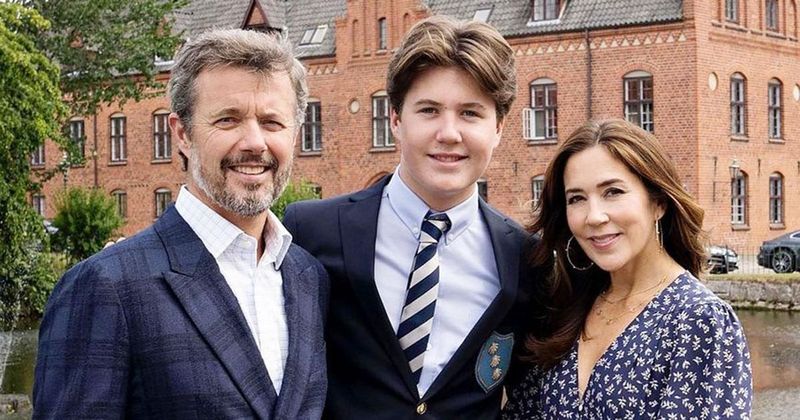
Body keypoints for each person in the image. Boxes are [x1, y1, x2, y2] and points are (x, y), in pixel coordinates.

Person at [33, 29, 329, 419]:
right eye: (228, 120)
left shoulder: (309, 278)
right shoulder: (106, 287)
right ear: (183, 134)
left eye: (273, 122)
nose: (255, 142)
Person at [283, 15, 540, 419]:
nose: (449, 133)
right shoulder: (311, 231)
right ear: (397, 120)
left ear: (499, 128)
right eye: (429, 110)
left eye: (471, 113)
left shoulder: (524, 258)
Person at [503, 119, 752, 419]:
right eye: (577, 198)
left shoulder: (698, 321)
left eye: (613, 192)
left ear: (658, 202)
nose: (594, 216)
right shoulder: (563, 310)